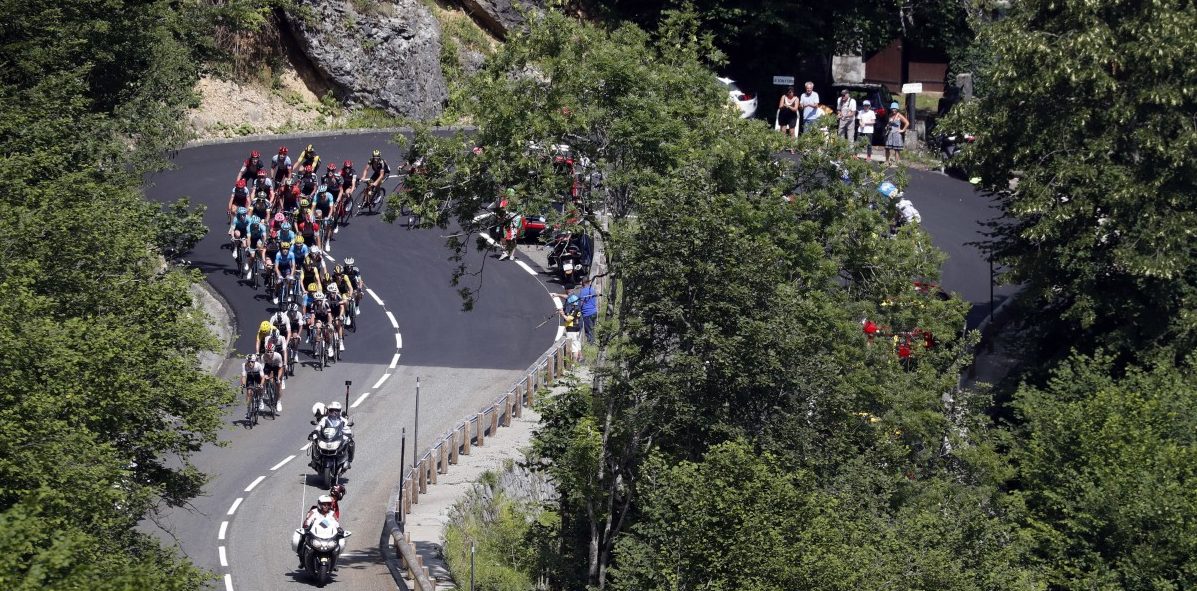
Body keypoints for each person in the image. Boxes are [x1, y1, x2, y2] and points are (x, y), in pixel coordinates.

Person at [296, 493, 348, 568]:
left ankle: (335, 562)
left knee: (338, 543)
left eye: (328, 504)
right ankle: (302, 560)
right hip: (314, 534)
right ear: (320, 504)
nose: (326, 506)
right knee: (302, 539)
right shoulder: (313, 512)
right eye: (324, 504)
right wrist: (306, 527)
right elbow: (308, 521)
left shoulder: (332, 513)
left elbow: (336, 523)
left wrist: (340, 529)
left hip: (328, 535)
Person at [261, 342, 285, 413]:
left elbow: (280, 368)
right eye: (267, 352)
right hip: (267, 367)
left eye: (271, 352)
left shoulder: (278, 356)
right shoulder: (263, 356)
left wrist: (278, 377)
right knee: (263, 379)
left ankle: (279, 401)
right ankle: (263, 395)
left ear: (273, 351)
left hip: (276, 367)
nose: (269, 353)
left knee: (278, 383)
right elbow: (262, 369)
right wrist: (264, 376)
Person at [240, 354, 264, 418]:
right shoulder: (244, 365)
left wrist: (261, 385)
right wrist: (243, 384)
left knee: (260, 388)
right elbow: (244, 376)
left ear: (254, 361)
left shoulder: (258, 365)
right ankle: (248, 410)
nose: (250, 363)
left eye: (252, 362)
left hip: (257, 376)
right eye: (249, 361)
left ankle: (261, 399)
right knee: (249, 392)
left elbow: (263, 377)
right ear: (246, 361)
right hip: (250, 377)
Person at [577, 276, 599, 343]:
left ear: (583, 283)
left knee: (588, 330)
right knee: (593, 328)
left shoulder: (582, 292)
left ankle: (591, 343)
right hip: (594, 312)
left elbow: (580, 303)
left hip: (587, 313)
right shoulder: (592, 289)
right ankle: (594, 341)